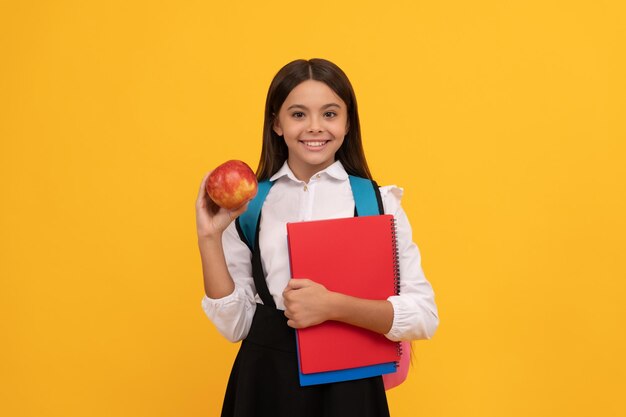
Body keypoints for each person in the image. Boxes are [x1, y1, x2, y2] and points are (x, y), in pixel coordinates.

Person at [196, 58, 439, 417]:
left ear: (347, 122)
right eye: (298, 114)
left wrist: (333, 307)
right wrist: (208, 237)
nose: (314, 127)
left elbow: (423, 315)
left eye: (329, 114)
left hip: (351, 387)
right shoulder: (250, 206)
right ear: (276, 123)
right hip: (267, 383)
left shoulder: (378, 202)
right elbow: (236, 325)